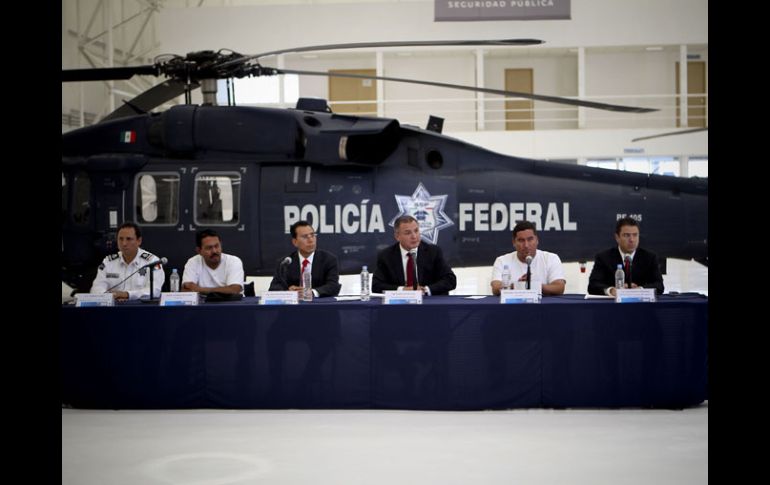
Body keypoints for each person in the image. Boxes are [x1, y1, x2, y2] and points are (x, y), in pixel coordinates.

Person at [372, 215, 456, 295]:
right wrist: (403, 290)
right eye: (408, 233)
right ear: (397, 236)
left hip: (429, 304)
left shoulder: (433, 252)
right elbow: (376, 285)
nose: (414, 236)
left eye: (416, 231)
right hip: (399, 305)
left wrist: (425, 290)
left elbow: (450, 280)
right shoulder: (386, 255)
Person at [587, 216, 664, 296]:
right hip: (613, 306)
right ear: (617, 237)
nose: (632, 240)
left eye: (635, 235)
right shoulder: (603, 258)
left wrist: (640, 290)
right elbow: (593, 285)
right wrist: (611, 290)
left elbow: (659, 285)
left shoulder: (650, 257)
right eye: (627, 235)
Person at [90, 221, 165, 301]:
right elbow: (96, 289)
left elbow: (155, 291)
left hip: (141, 310)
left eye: (129, 239)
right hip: (113, 308)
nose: (124, 243)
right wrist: (112, 297)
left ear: (139, 241)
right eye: (120, 239)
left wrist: (127, 295)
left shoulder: (152, 262)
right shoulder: (108, 262)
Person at [490, 220, 566, 296]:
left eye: (530, 239)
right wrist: (515, 286)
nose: (526, 245)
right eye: (521, 240)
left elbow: (559, 287)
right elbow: (496, 288)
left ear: (537, 240)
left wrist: (534, 286)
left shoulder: (551, 258)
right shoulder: (502, 261)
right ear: (514, 242)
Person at [268, 220, 341, 298]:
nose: (311, 240)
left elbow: (333, 286)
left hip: (319, 306)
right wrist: (288, 292)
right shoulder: (285, 262)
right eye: (305, 237)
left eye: (312, 235)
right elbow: (274, 288)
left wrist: (312, 293)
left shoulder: (329, 260)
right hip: (292, 307)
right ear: (295, 242)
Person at [182, 228, 244, 294]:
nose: (214, 251)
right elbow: (186, 290)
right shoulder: (192, 262)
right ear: (199, 251)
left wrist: (199, 289)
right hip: (203, 303)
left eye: (217, 246)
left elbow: (234, 290)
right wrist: (225, 290)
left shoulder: (233, 261)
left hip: (231, 304)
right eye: (209, 248)